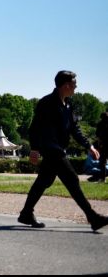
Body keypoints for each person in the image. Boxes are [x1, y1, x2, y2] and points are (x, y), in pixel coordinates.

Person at [18, 71, 108, 231]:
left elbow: (75, 129)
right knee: (72, 179)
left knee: (44, 181)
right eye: (74, 84)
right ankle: (92, 217)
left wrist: (89, 146)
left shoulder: (68, 104)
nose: (76, 87)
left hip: (59, 148)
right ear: (66, 85)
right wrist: (34, 149)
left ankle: (26, 213)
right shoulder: (46, 103)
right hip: (51, 149)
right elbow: (35, 128)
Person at [94, 112, 108, 183]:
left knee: (102, 162)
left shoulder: (100, 124)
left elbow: (98, 136)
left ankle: (103, 179)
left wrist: (99, 144)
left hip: (103, 145)